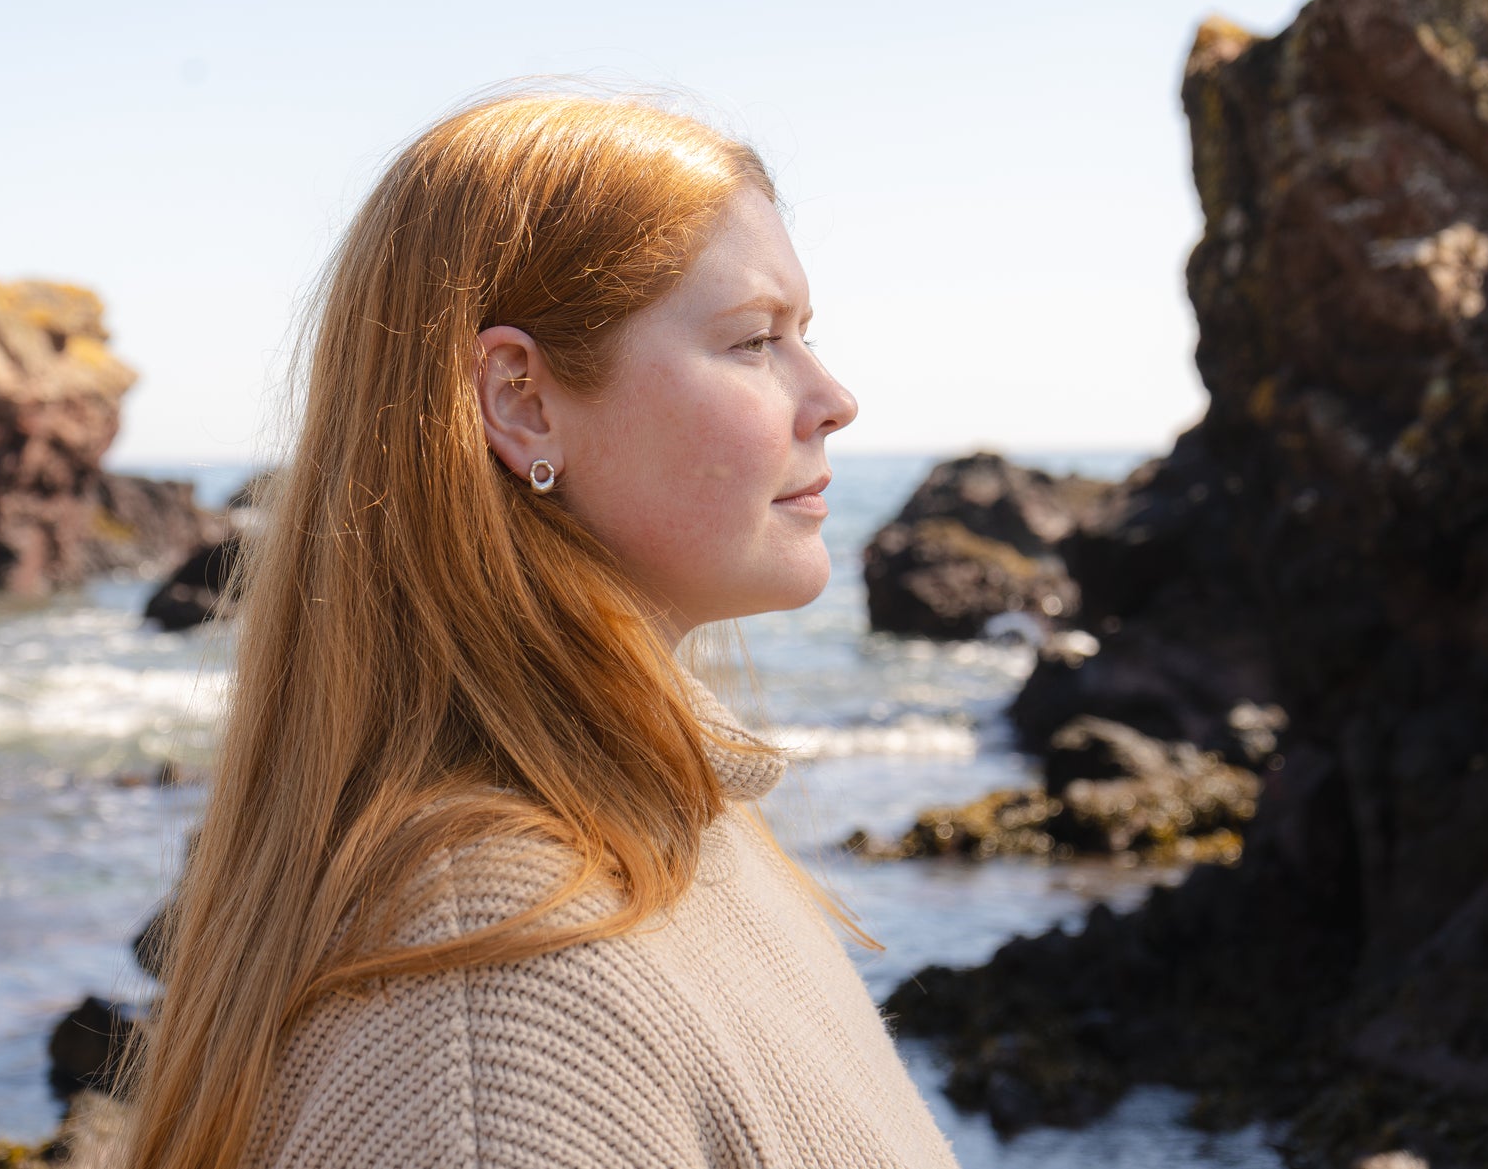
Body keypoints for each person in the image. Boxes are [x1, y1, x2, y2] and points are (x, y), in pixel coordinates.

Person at [123, 91, 960, 1168]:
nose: (832, 396)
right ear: (519, 400)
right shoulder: (492, 1018)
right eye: (754, 340)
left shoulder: (673, 825)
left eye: (805, 335)